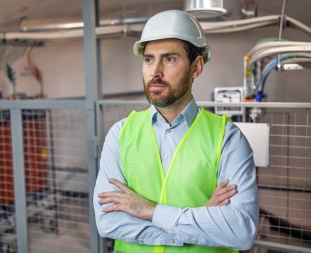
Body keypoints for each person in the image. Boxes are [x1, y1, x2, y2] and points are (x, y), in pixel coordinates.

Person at [93, 10, 258, 253]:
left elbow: (241, 231)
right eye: (149, 59)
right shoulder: (120, 135)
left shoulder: (227, 139)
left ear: (196, 67)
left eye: (169, 59)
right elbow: (108, 222)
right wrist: (201, 221)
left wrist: (148, 211)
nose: (155, 71)